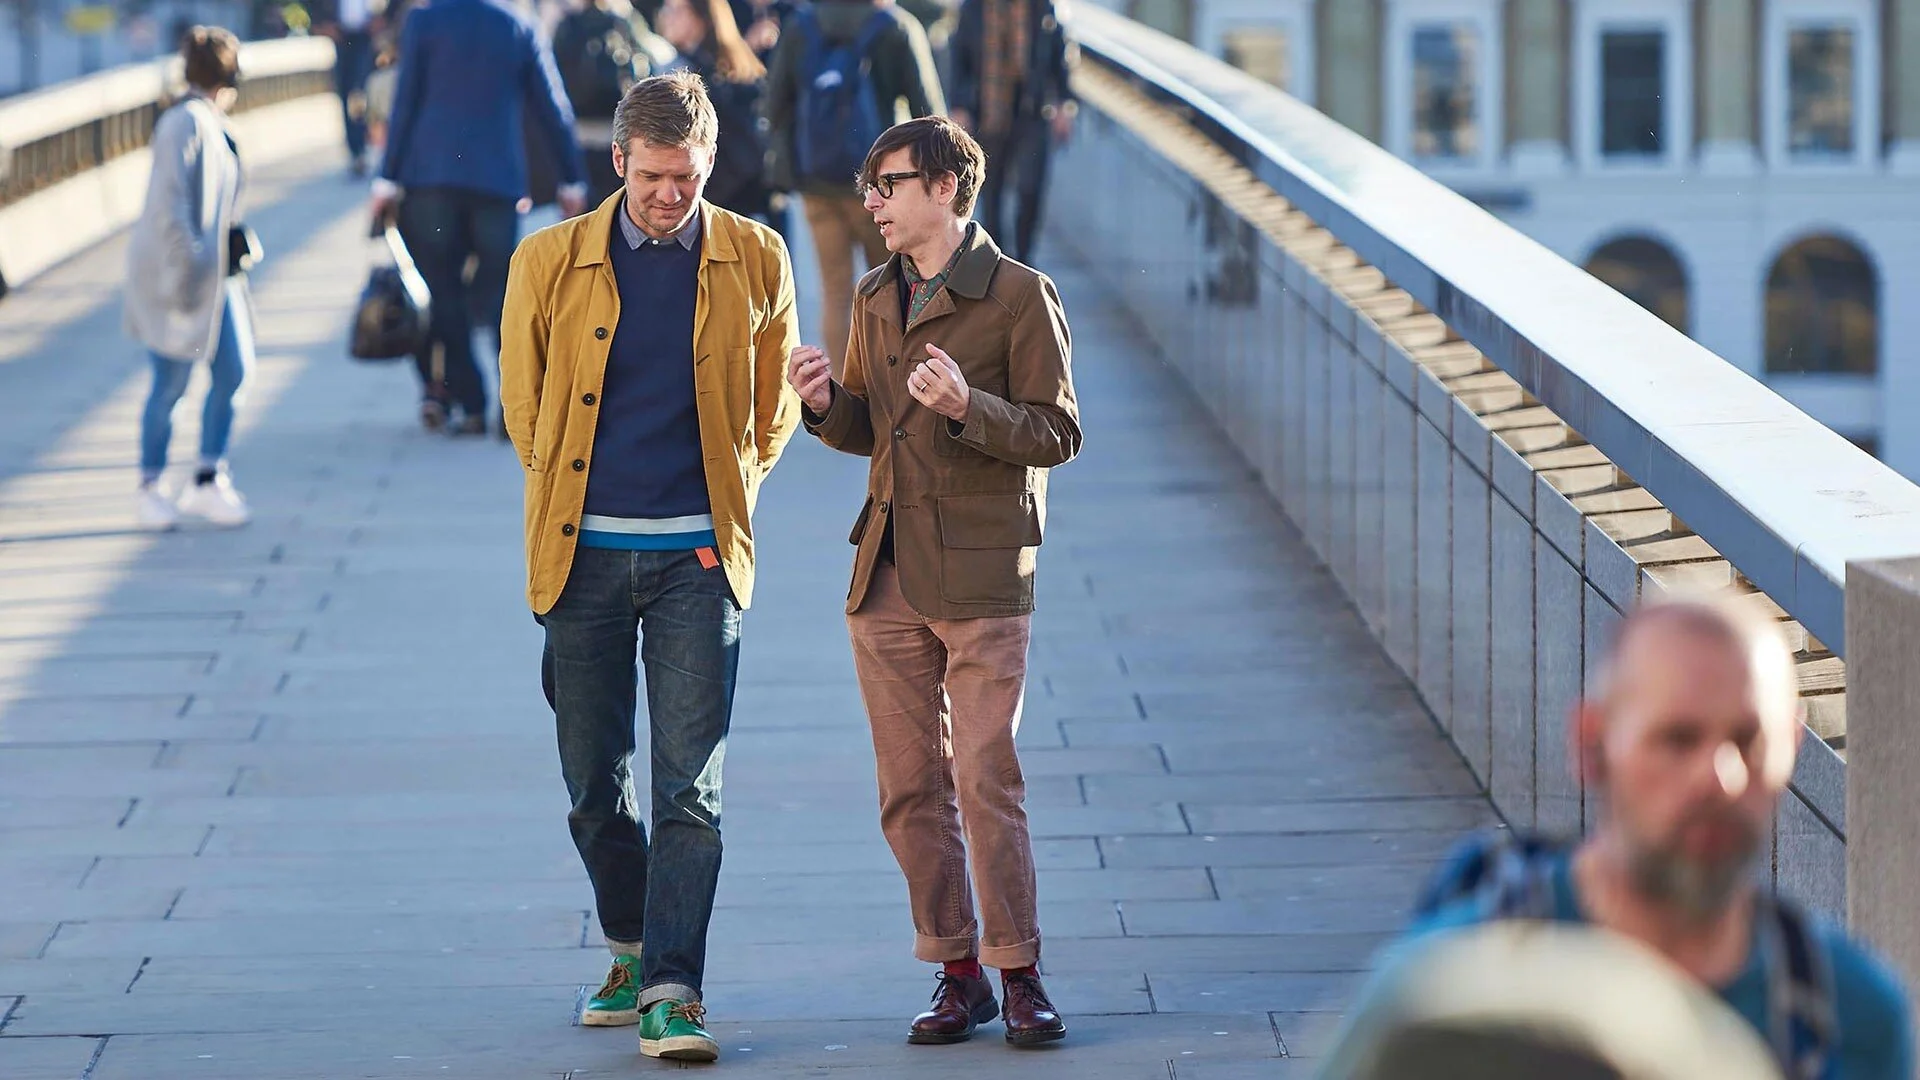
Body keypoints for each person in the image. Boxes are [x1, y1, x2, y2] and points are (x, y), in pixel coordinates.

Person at [499, 70, 801, 1063]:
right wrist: (566, 503)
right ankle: (630, 943)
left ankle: (675, 986)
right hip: (580, 557)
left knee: (690, 790)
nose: (672, 195)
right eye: (655, 175)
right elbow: (524, 406)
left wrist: (733, 494)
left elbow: (775, 406)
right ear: (619, 161)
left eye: (689, 176)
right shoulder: (547, 262)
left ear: (709, 163)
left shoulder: (756, 255)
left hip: (696, 558)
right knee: (593, 782)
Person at [786, 116, 1082, 1048]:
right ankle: (956, 971)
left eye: (888, 184)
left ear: (946, 186)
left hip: (986, 572)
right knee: (910, 787)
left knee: (985, 775)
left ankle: (1020, 970)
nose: (869, 201)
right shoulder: (876, 295)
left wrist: (968, 407)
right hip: (886, 572)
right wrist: (827, 405)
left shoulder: (1020, 295)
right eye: (867, 184)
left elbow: (1058, 431)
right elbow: (875, 429)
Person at [1397, 597, 1913, 1079]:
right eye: (1678, 739)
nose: (1720, 779)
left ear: (1793, 747)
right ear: (1590, 744)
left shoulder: (1851, 1019)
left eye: (1748, 740)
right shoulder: (1449, 994)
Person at [372, 0, 588, 435]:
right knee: (501, 299)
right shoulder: (517, 25)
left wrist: (387, 177)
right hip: (497, 182)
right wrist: (572, 178)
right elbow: (551, 105)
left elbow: (406, 102)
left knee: (445, 294)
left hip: (430, 179)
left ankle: (470, 403)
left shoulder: (425, 21)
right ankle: (514, 409)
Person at [763, 0, 942, 375]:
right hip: (883, 187)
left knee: (836, 292)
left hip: (817, 184)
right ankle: (893, 380)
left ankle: (847, 393)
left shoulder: (800, 26)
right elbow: (930, 114)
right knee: (891, 287)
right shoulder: (895, 27)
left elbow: (776, 104)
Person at [124, 26, 256, 531]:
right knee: (170, 383)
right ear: (229, 76)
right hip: (180, 278)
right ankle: (151, 485)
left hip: (215, 277)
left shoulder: (205, 121)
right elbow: (171, 210)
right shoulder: (185, 124)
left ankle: (207, 477)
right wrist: (189, 272)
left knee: (234, 371)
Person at [948, 0, 1076, 265]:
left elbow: (1059, 52)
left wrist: (1065, 101)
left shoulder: (1043, 6)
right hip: (988, 112)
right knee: (991, 191)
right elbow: (958, 56)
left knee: (1031, 188)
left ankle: (1025, 259)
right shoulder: (973, 6)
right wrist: (960, 105)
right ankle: (999, 263)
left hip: (1033, 111)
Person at [654, 0, 776, 229]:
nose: (666, 16)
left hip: (721, 195)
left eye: (676, 10)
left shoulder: (696, 74)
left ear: (701, 19)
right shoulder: (735, 65)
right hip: (739, 191)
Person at [551, 0, 679, 206]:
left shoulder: (568, 25)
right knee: (621, 209)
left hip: (579, 134)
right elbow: (654, 59)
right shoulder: (625, 20)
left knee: (587, 219)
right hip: (621, 130)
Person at [309, 0, 380, 174]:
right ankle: (356, 150)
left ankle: (365, 143)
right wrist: (320, 22)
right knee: (346, 92)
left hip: (367, 34)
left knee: (363, 91)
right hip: (341, 35)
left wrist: (386, 17)